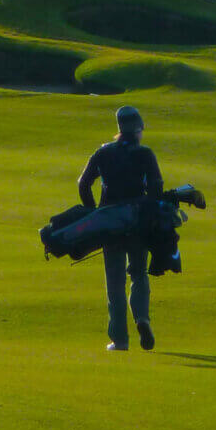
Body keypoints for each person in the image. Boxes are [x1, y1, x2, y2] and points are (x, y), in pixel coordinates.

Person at [78, 105, 163, 352]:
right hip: (136, 222)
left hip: (110, 224)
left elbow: (84, 184)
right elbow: (156, 188)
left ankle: (120, 340)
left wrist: (93, 211)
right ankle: (142, 319)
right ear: (138, 128)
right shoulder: (145, 154)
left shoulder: (103, 153)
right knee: (138, 274)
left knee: (114, 282)